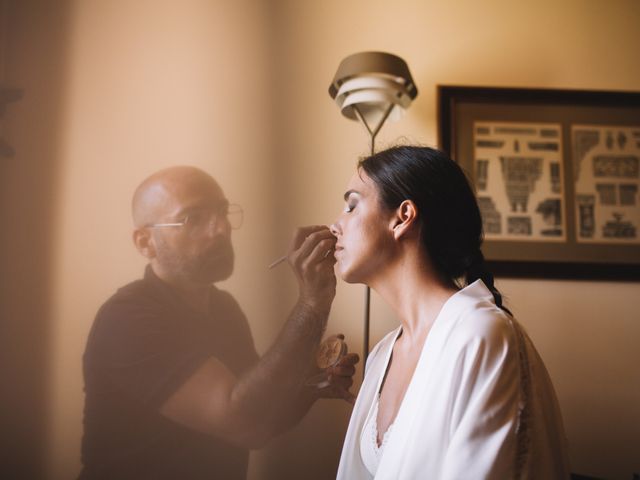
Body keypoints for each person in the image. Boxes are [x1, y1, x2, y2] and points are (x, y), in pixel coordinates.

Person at [79, 166, 359, 479]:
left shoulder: (224, 309)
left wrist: (311, 387)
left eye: (222, 212)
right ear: (146, 242)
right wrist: (311, 302)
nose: (221, 229)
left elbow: (261, 421)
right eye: (193, 218)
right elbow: (241, 419)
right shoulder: (126, 320)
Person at [331, 146, 570, 479]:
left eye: (352, 205)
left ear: (402, 217)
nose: (334, 225)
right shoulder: (382, 355)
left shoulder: (481, 335)